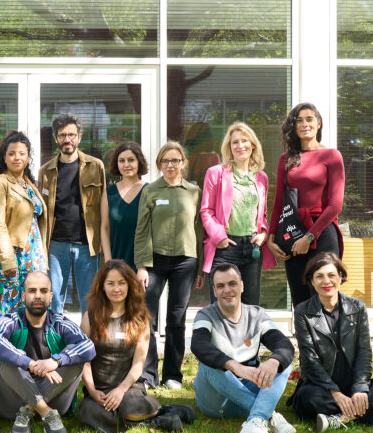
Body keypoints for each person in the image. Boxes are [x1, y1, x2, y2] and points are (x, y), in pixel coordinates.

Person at [289, 252, 373, 433]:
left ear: (341, 277)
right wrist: (335, 393)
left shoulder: (357, 307)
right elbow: (309, 360)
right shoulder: (302, 311)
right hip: (322, 388)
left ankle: (340, 419)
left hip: (353, 384)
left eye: (331, 275)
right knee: (307, 397)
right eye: (319, 276)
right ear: (311, 281)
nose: (326, 281)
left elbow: (363, 351)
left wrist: (360, 389)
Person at [78, 260, 193, 433]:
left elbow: (138, 365)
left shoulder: (140, 319)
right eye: (111, 284)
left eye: (121, 283)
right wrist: (92, 391)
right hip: (99, 390)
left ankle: (146, 417)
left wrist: (121, 390)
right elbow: (84, 361)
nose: (116, 289)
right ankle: (160, 417)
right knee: (89, 412)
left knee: (130, 404)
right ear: (102, 287)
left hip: (128, 387)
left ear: (130, 285)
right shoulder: (90, 317)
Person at [190, 263, 297, 433]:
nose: (227, 290)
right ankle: (269, 416)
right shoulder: (205, 315)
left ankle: (255, 421)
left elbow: (284, 346)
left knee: (282, 362)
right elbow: (198, 345)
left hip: (246, 392)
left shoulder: (256, 314)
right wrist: (235, 367)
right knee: (207, 364)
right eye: (220, 286)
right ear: (214, 291)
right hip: (216, 401)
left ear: (242, 286)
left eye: (232, 284)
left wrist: (273, 362)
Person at [0, 271, 95, 433]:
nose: (38, 296)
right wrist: (29, 363)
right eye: (32, 291)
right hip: (12, 401)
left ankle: (29, 410)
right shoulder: (11, 320)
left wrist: (56, 361)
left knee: (76, 359)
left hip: (54, 396)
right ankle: (45, 412)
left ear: (51, 296)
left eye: (43, 291)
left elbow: (88, 346)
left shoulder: (60, 322)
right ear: (23, 295)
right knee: (4, 358)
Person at [134, 141, 204, 390]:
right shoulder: (150, 190)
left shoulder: (193, 191)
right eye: (166, 161)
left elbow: (199, 228)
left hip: (185, 260)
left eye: (175, 160)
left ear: (183, 163)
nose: (171, 165)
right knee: (147, 318)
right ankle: (148, 374)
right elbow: (141, 229)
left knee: (176, 317)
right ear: (159, 165)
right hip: (155, 261)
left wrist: (201, 265)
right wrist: (142, 265)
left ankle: (173, 374)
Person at [266, 103, 345, 307]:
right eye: (299, 120)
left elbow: (335, 205)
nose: (304, 124)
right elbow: (279, 201)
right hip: (293, 232)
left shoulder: (332, 156)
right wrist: (271, 237)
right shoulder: (286, 159)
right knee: (300, 298)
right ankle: (305, 340)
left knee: (326, 296)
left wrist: (309, 237)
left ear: (318, 123)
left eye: (309, 119)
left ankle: (328, 339)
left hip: (323, 233)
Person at [38, 113, 110, 314]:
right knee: (54, 299)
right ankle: (55, 341)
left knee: (90, 298)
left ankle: (90, 341)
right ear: (55, 139)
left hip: (86, 243)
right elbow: (42, 211)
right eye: (62, 135)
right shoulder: (46, 171)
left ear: (79, 137)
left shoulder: (96, 166)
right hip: (55, 243)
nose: (67, 139)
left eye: (71, 134)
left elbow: (103, 208)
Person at [0, 131, 48, 334]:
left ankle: (30, 352)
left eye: (21, 153)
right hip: (12, 257)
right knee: (10, 307)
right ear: (4, 157)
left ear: (28, 157)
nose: (17, 157)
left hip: (32, 256)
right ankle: (6, 355)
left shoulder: (28, 183)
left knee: (32, 305)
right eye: (11, 153)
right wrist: (8, 261)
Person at [200, 122, 272, 306]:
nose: (240, 146)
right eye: (235, 142)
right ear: (229, 147)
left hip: (252, 247)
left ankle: (248, 337)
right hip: (225, 247)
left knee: (250, 305)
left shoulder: (261, 177)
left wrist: (263, 233)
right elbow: (206, 210)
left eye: (244, 141)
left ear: (253, 144)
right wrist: (219, 237)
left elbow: (261, 215)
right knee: (222, 305)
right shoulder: (215, 173)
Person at [106, 141, 148, 271]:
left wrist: (144, 267)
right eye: (121, 160)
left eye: (131, 160)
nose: (126, 165)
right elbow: (104, 227)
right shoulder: (109, 192)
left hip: (142, 266)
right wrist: (109, 262)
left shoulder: (149, 191)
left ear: (139, 162)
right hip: (116, 262)